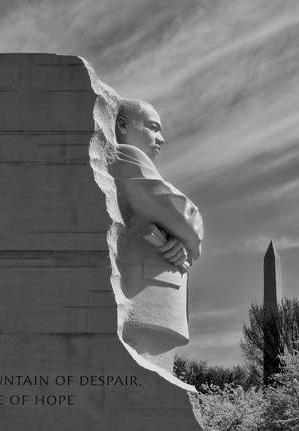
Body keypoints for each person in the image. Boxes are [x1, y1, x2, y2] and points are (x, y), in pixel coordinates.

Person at [111, 99, 204, 373]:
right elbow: (186, 218)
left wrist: (180, 245)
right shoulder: (127, 157)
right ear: (123, 125)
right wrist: (188, 237)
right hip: (144, 293)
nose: (161, 139)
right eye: (152, 128)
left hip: (153, 290)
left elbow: (170, 222)